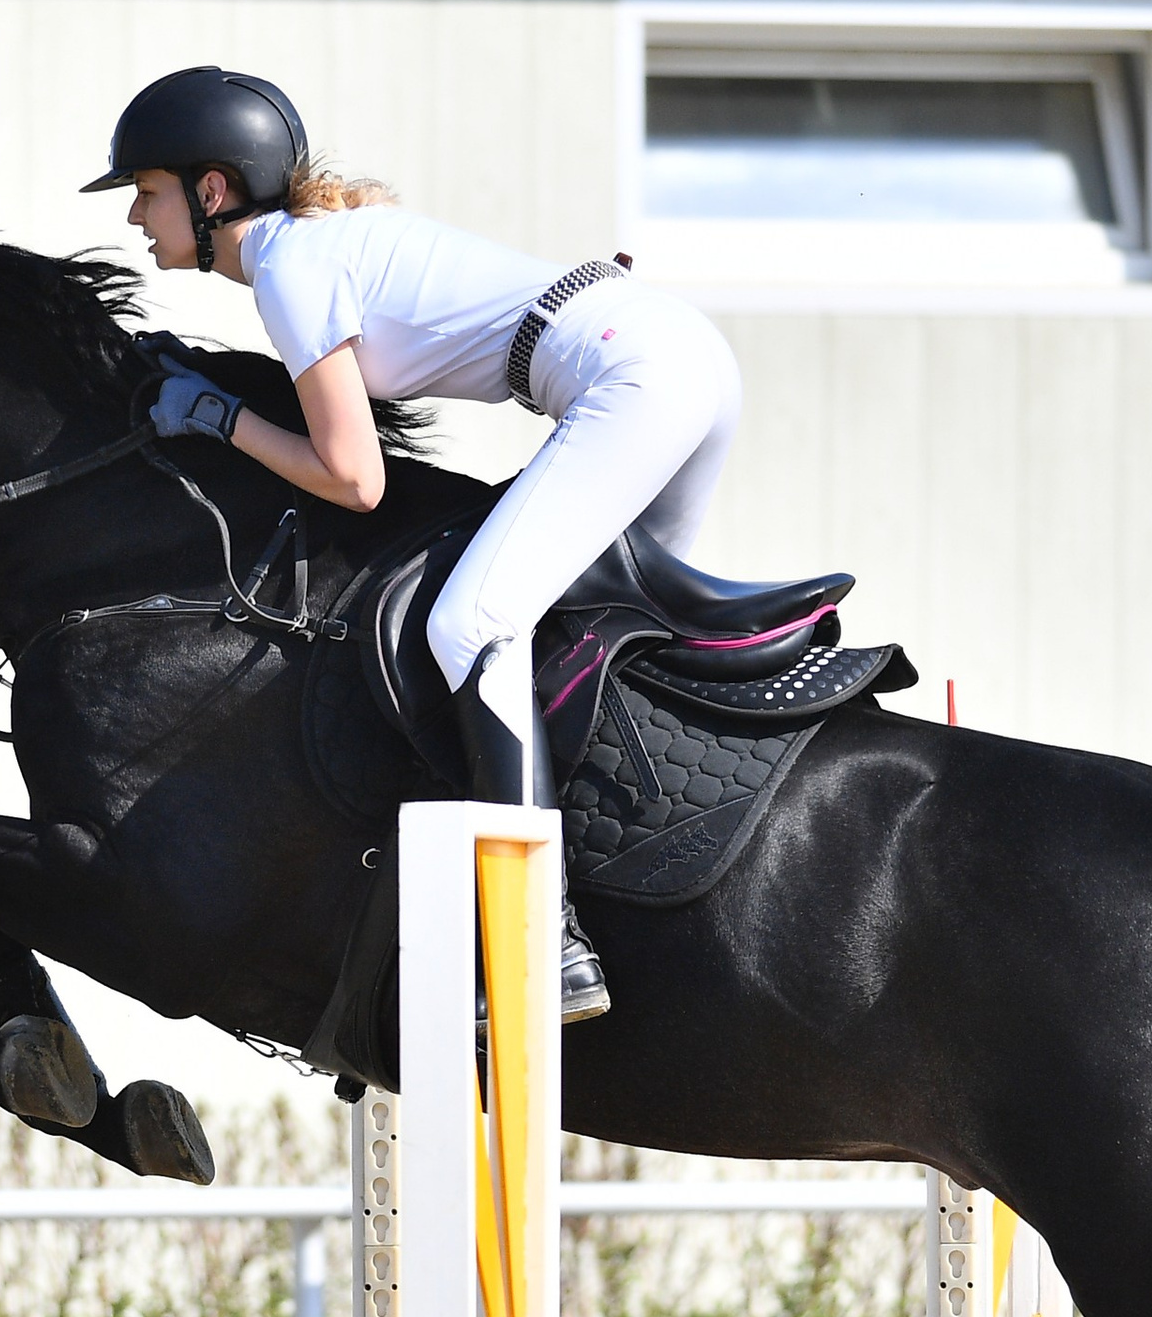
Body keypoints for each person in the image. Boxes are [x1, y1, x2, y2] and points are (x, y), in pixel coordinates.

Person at [85, 65, 750, 1023]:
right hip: (679, 357)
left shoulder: (287, 263)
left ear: (212, 191)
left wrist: (218, 418)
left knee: (469, 625)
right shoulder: (318, 243)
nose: (137, 220)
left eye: (146, 193)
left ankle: (536, 938)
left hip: (634, 372)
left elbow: (356, 480)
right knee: (605, 625)